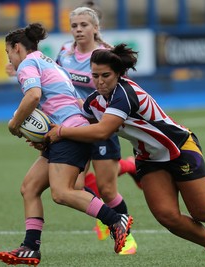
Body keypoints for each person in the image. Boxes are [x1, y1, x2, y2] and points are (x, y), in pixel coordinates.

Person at [46, 43, 205, 267]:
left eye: (106, 75)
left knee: (203, 212)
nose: (99, 81)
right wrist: (44, 135)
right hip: (149, 159)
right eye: (95, 75)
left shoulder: (124, 94)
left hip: (180, 149)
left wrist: (59, 131)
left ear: (119, 74)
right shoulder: (94, 102)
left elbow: (102, 131)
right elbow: (81, 124)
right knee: (167, 217)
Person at [0, 24, 133, 266]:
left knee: (62, 193)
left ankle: (115, 220)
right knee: (29, 188)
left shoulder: (28, 64)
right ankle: (30, 247)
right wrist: (43, 137)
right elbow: (56, 102)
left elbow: (34, 96)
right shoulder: (48, 61)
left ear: (17, 47)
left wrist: (14, 125)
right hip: (68, 131)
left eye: (8, 51)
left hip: (70, 133)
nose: (8, 57)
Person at [55, 6, 138, 254]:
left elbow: (122, 91)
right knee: (75, 186)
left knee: (107, 189)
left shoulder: (105, 55)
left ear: (95, 28)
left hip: (100, 127)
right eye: (74, 26)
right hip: (73, 128)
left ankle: (127, 236)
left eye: (84, 25)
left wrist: (93, 105)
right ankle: (107, 218)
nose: (78, 30)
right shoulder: (64, 54)